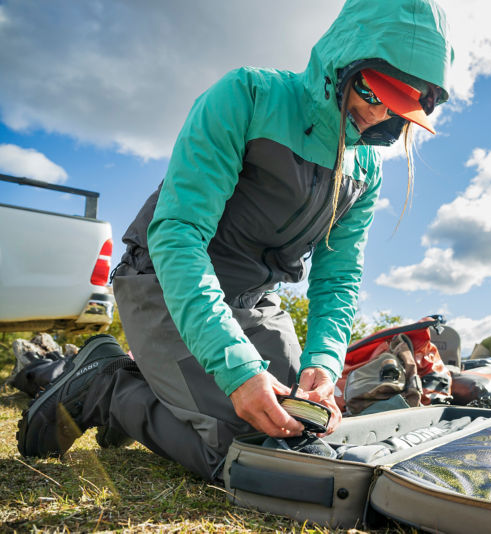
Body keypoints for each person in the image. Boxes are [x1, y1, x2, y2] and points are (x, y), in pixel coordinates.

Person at [17, 0, 454, 482]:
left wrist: (325, 365)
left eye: (400, 108)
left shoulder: (366, 171)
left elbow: (339, 279)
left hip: (253, 303)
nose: (379, 117)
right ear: (344, 62)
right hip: (162, 283)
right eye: (374, 93)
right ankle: (106, 388)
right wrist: (237, 371)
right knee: (245, 451)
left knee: (299, 432)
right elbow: (178, 236)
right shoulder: (246, 96)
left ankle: (159, 381)